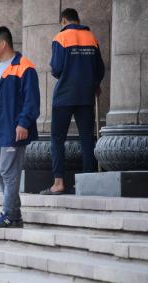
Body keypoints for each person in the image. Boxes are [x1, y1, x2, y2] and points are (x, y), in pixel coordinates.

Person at [0, 26, 40, 228]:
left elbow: (32, 100)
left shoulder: (24, 66)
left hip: (13, 128)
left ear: (3, 43)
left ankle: (7, 214)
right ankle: (15, 215)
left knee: (8, 171)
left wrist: (23, 122)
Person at [40, 8, 105, 195]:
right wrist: (95, 84)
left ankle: (59, 183)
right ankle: (87, 182)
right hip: (86, 95)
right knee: (87, 138)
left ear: (63, 21)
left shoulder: (60, 38)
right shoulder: (91, 37)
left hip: (64, 95)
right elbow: (99, 68)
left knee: (58, 138)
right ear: (77, 19)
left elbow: (57, 69)